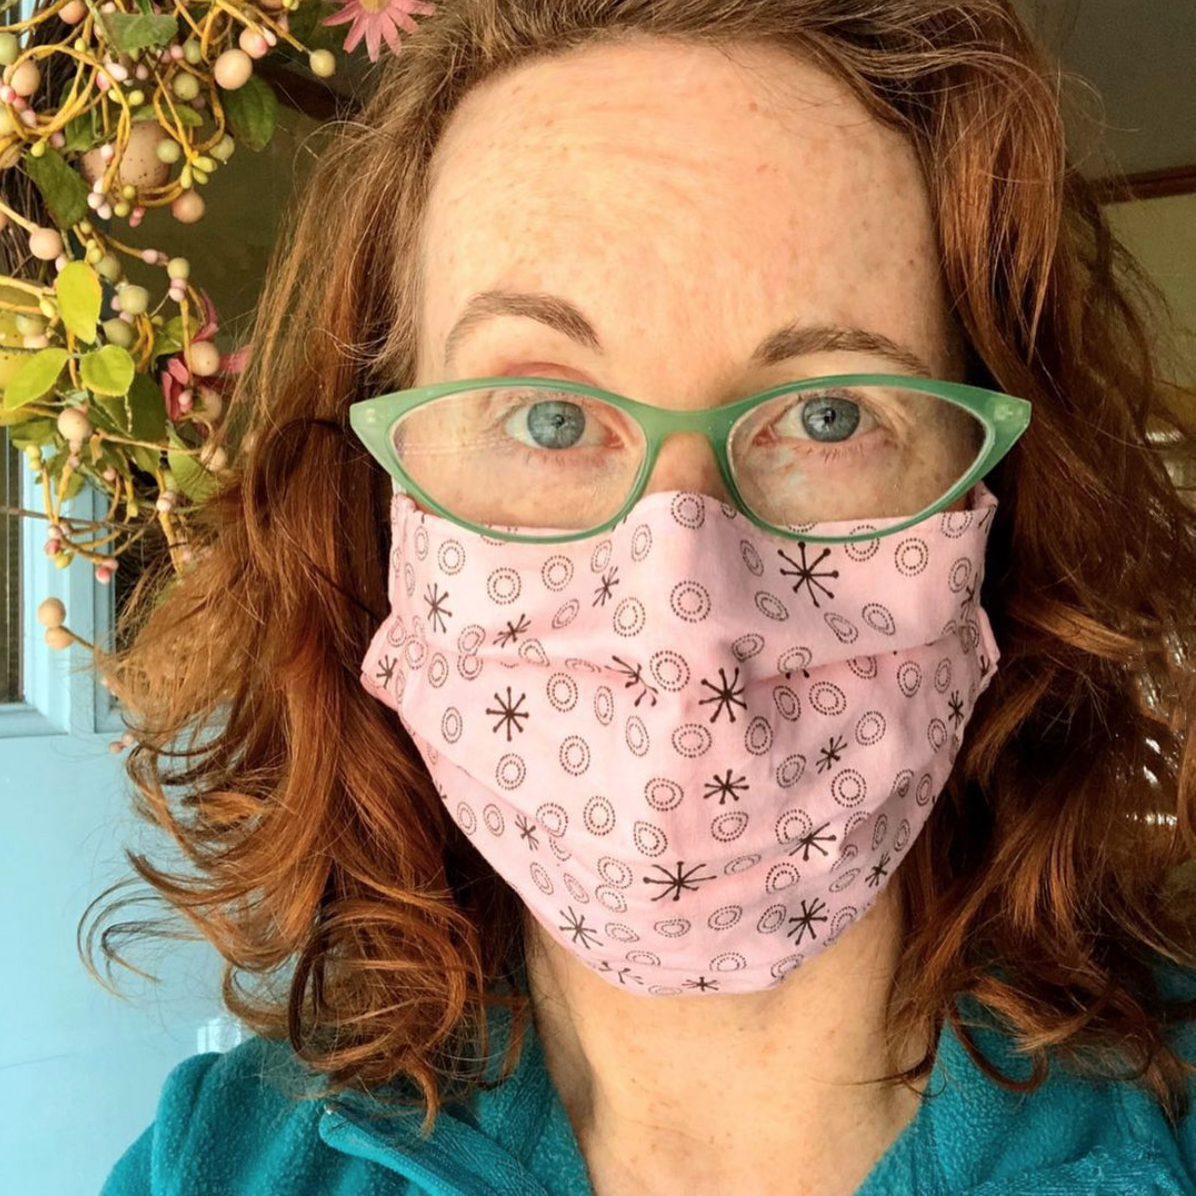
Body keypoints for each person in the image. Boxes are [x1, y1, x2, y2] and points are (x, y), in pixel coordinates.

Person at [93, 2, 1196, 1193]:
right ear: (377, 511)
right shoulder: (216, 1164)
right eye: (547, 416)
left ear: (996, 508)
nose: (683, 613)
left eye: (826, 413)